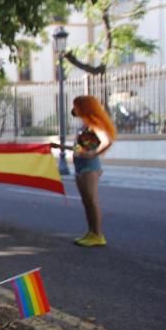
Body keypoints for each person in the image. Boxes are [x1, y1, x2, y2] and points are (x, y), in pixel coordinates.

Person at [53, 96, 117, 247]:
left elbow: (107, 141)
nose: (74, 109)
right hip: (81, 165)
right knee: (86, 201)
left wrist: (93, 154)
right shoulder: (86, 125)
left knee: (92, 201)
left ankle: (97, 235)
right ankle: (91, 232)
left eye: (76, 106)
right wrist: (62, 148)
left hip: (89, 167)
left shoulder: (95, 124)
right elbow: (81, 148)